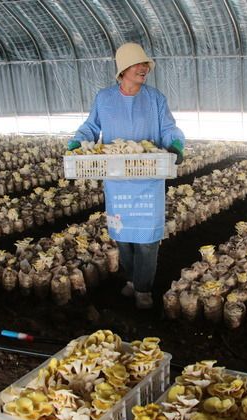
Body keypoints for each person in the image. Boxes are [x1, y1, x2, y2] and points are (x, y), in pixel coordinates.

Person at [68, 43, 185, 309]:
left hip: (148, 178)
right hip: (118, 179)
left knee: (147, 238)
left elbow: (168, 127)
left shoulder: (155, 98)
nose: (144, 69)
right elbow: (91, 127)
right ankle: (131, 280)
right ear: (124, 69)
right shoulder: (104, 98)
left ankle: (143, 289)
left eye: (145, 65)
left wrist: (175, 144)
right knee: (123, 235)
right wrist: (78, 142)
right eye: (138, 64)